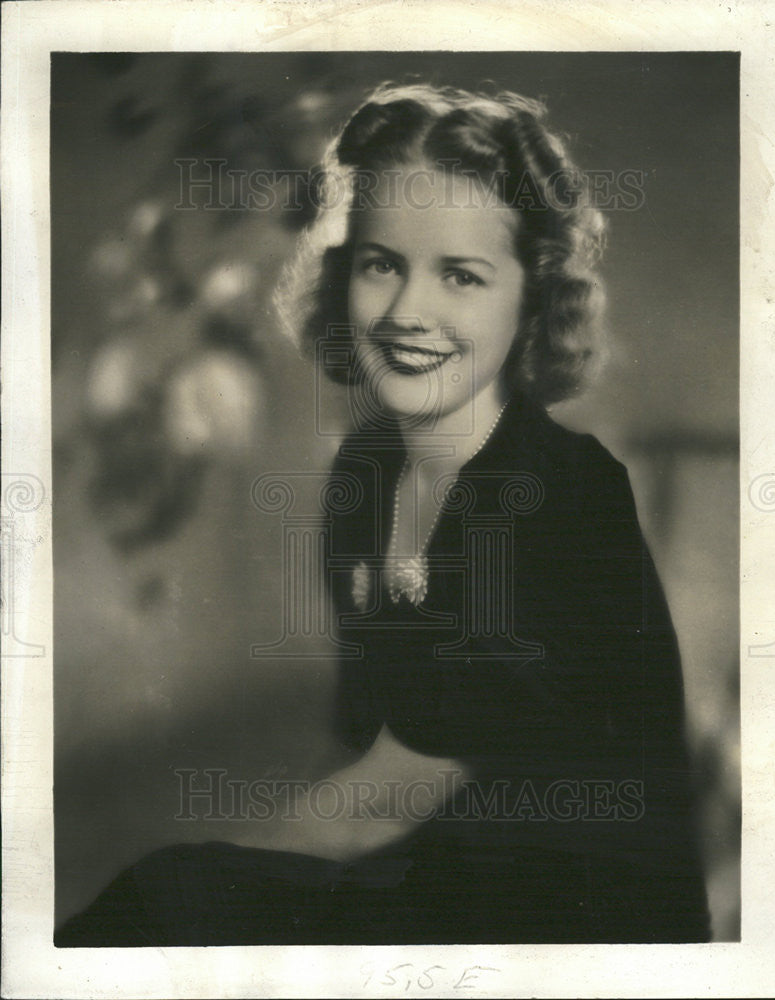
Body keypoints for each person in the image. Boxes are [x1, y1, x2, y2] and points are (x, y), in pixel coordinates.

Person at [55, 82, 711, 946]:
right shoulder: (367, 470)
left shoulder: (559, 493)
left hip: (574, 930)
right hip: (430, 883)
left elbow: (385, 798)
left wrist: (201, 878)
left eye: (462, 275)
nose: (407, 312)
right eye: (381, 263)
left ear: (533, 304)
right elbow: (360, 747)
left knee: (163, 898)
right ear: (342, 272)